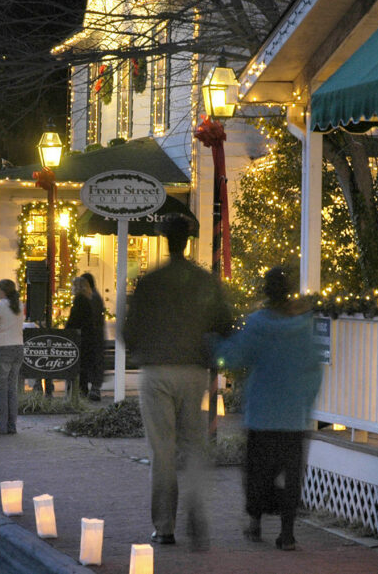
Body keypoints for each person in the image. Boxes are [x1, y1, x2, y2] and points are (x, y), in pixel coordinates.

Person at [123, 213, 233, 549]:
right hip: (193, 371)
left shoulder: (150, 282)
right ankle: (196, 506)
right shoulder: (204, 281)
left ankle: (165, 525)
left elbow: (130, 332)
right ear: (187, 240)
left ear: (163, 239)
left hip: (157, 371)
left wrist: (144, 349)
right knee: (194, 444)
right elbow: (226, 324)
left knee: (163, 451)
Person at [213, 267, 324, 551]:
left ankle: (255, 523)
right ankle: (287, 534)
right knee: (292, 475)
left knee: (257, 474)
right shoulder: (303, 326)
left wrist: (213, 343)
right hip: (293, 417)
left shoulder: (257, 324)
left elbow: (235, 357)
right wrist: (306, 401)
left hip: (262, 414)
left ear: (266, 292)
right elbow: (314, 368)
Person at [0, 279, 24, 434]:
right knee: (12, 388)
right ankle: (12, 425)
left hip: (3, 347)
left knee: (2, 388)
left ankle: (0, 425)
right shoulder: (19, 305)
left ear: (3, 290)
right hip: (18, 346)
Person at [65, 275, 105, 401]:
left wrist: (67, 330)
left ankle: (80, 393)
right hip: (90, 338)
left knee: (80, 367)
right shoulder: (90, 298)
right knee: (86, 366)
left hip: (83, 339)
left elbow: (75, 320)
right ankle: (85, 391)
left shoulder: (80, 299)